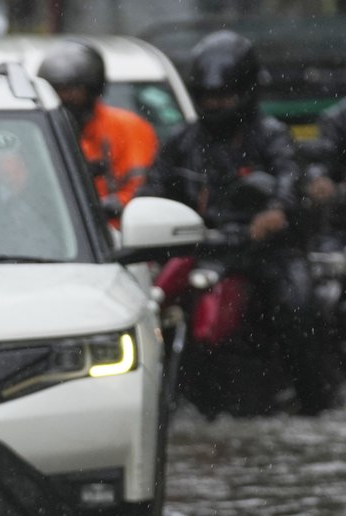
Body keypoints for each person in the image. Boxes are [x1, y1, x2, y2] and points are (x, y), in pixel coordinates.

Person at [138, 29, 339, 414]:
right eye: (208, 97)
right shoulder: (183, 141)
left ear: (246, 91)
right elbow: (154, 188)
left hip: (264, 252)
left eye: (224, 96)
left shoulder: (271, 135)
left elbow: (289, 178)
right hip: (202, 249)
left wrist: (275, 212)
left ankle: (314, 401)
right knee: (150, 305)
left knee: (298, 308)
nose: (215, 104)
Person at [37, 40, 158, 210]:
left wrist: (102, 208)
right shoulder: (34, 132)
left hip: (119, 230)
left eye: (72, 90)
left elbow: (142, 192)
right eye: (56, 89)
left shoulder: (129, 127)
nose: (63, 97)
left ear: (93, 89)